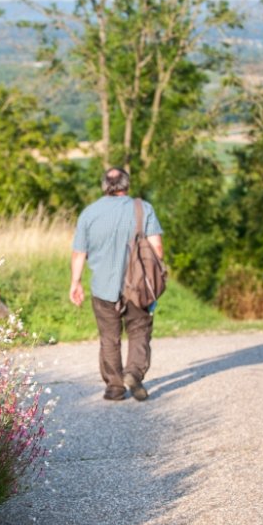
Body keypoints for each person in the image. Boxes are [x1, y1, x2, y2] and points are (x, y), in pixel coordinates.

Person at [69, 168, 164, 401]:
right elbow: (157, 248)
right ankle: (133, 373)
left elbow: (78, 253)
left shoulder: (89, 213)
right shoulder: (143, 209)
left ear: (104, 186)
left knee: (109, 337)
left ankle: (114, 386)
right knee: (139, 330)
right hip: (139, 287)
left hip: (102, 287)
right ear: (126, 185)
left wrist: (76, 282)